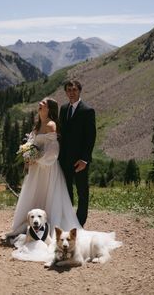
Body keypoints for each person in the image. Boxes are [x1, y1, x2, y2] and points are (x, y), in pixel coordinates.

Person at [4, 97, 81, 241]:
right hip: (36, 170)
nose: (40, 104)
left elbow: (53, 151)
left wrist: (36, 159)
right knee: (34, 193)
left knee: (47, 194)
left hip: (47, 169)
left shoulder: (51, 125)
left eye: (43, 103)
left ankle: (49, 230)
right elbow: (31, 144)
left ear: (49, 109)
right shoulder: (37, 125)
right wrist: (26, 156)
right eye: (40, 102)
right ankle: (31, 225)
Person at [59, 80, 96, 227]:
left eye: (74, 89)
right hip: (64, 160)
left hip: (80, 161)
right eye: (68, 90)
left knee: (82, 192)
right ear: (66, 92)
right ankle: (68, 220)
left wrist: (85, 159)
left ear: (79, 91)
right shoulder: (63, 109)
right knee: (66, 191)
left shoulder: (87, 110)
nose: (71, 92)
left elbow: (91, 137)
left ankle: (80, 222)